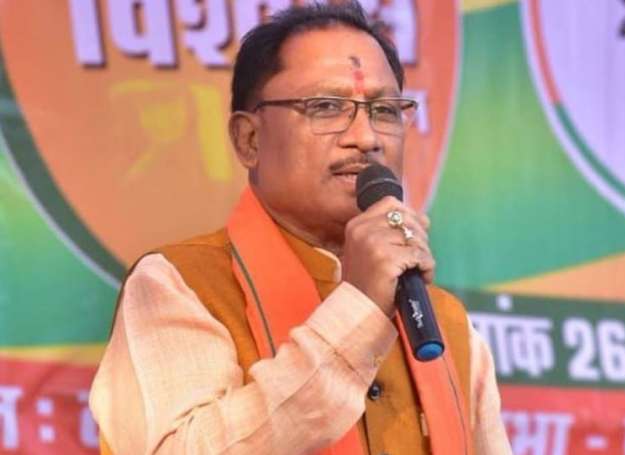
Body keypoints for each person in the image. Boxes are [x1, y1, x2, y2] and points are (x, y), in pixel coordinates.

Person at [89, 2, 511, 454]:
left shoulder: (442, 323)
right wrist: (360, 311)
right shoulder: (178, 285)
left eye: (385, 110)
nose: (367, 138)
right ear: (249, 139)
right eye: (326, 107)